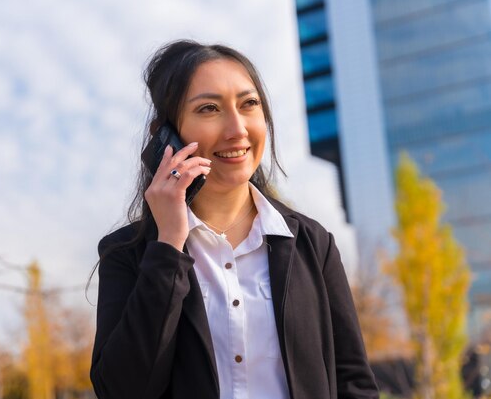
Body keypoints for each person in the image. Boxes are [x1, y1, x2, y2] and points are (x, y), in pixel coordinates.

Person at [90, 40, 379, 399]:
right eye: (209, 108)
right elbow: (121, 391)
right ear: (166, 136)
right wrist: (167, 247)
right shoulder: (127, 253)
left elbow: (353, 383)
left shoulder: (312, 243)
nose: (237, 129)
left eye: (249, 104)